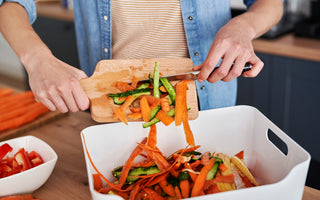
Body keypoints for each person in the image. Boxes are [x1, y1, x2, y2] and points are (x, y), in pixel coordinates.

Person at [0, 0, 283, 113]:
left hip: (208, 105)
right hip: (112, 107)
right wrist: (37, 59)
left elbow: (271, 3)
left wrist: (244, 26)